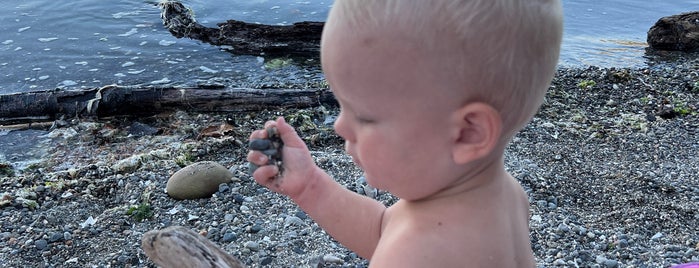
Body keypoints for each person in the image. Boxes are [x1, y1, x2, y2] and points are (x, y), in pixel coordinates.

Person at [247, 0, 563, 266]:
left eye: (364, 117)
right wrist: (310, 187)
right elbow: (384, 230)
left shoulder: (415, 253)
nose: (340, 127)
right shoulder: (503, 197)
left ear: (468, 133)